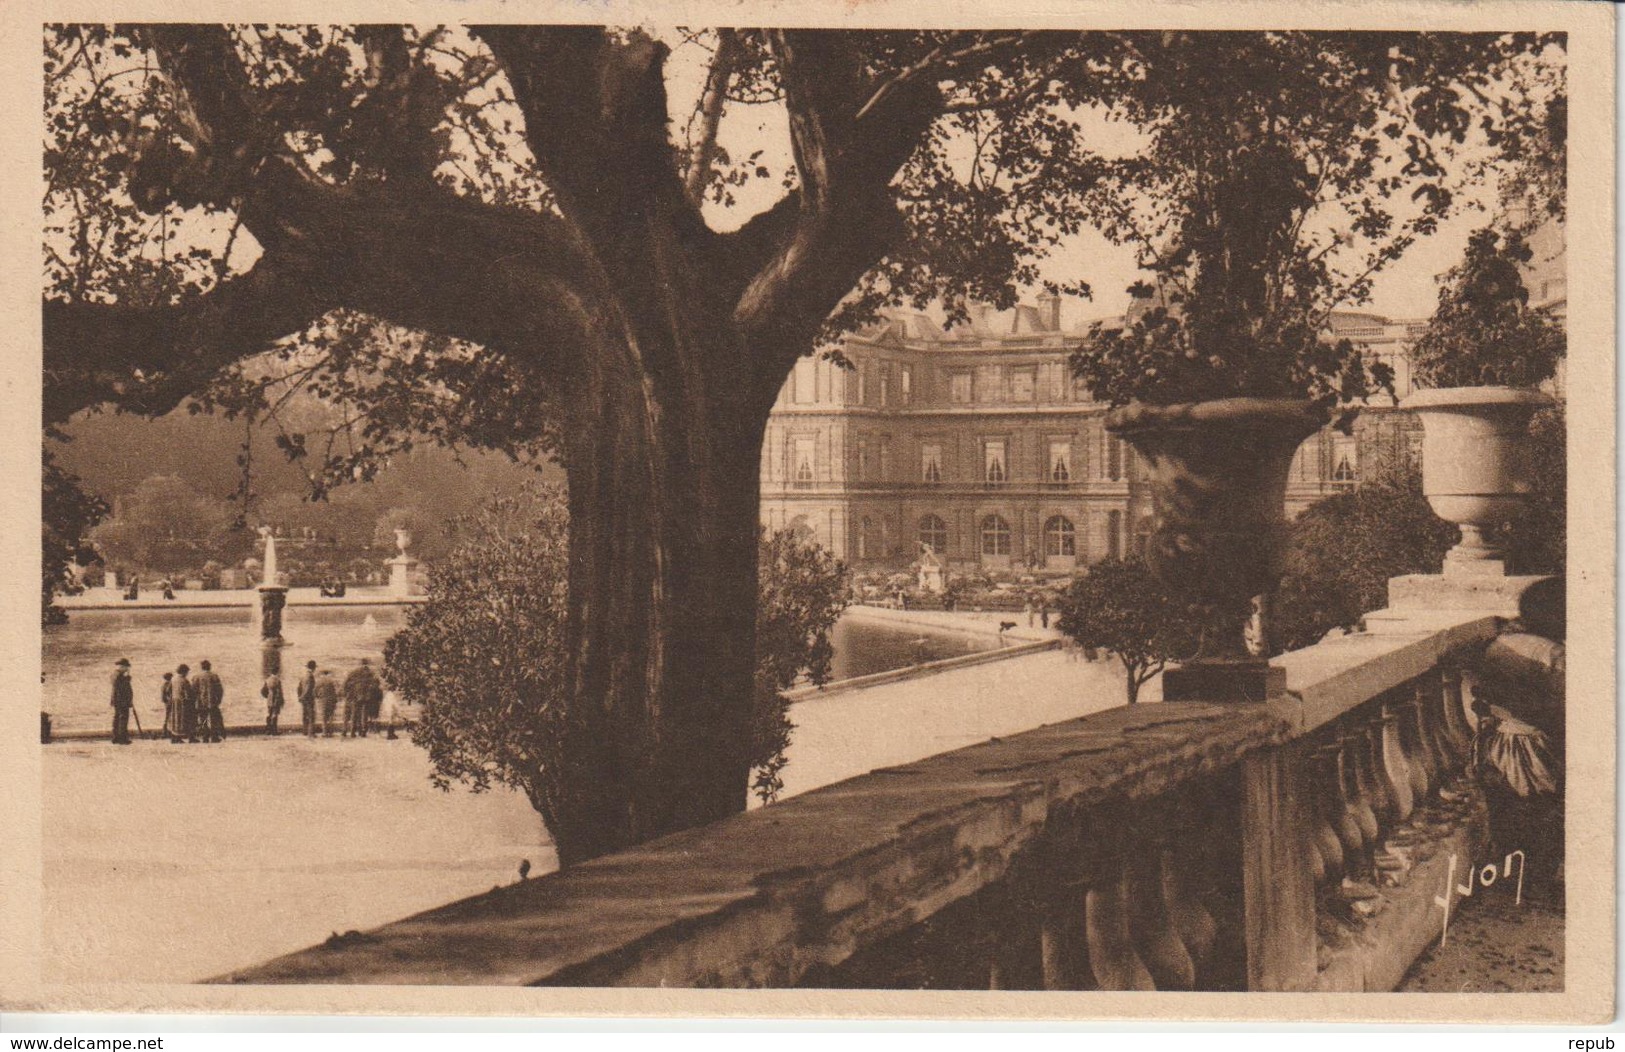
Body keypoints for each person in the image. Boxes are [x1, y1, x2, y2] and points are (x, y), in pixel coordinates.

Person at [343, 658, 382, 739]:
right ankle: (363, 731)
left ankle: (353, 732)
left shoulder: (354, 672)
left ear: (360, 664)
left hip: (355, 696)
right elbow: (376, 684)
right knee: (364, 714)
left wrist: (348, 693)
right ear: (367, 664)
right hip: (367, 697)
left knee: (354, 714)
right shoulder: (371, 673)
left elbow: (346, 684)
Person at [195, 659, 225, 743]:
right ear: (209, 667)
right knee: (213, 719)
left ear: (201, 667)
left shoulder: (197, 677)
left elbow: (194, 690)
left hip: (200, 701)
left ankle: (205, 737)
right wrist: (219, 699)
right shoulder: (214, 676)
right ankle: (214, 737)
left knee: (202, 719)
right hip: (212, 701)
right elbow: (220, 690)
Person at [110, 658, 134, 744]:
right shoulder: (119, 676)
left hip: (117, 700)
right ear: (122, 667)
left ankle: (116, 737)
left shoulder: (115, 675)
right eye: (126, 667)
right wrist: (127, 679)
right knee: (123, 719)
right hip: (122, 700)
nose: (127, 669)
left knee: (117, 718)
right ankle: (122, 739)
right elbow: (122, 688)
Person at [174, 663, 198, 743]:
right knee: (189, 719)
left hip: (175, 701)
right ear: (184, 671)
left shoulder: (174, 679)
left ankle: (176, 736)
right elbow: (187, 693)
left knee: (177, 720)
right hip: (184, 702)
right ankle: (191, 737)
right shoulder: (184, 680)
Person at [316, 668, 340, 737]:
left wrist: (318, 696)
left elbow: (315, 690)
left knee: (324, 717)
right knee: (331, 717)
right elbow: (338, 690)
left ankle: (324, 732)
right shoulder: (333, 681)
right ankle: (330, 732)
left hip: (323, 701)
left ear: (323, 674)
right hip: (332, 701)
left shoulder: (320, 681)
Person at [297, 660, 318, 738]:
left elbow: (299, 687)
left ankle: (304, 731)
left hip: (303, 699)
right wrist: (304, 696)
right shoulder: (310, 676)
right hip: (309, 698)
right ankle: (311, 733)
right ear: (313, 668)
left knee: (305, 715)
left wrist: (299, 696)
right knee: (311, 715)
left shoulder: (304, 675)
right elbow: (308, 689)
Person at [262, 670, 285, 736]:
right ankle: (274, 731)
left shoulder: (267, 680)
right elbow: (280, 692)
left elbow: (263, 691)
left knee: (269, 714)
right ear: (277, 672)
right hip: (276, 699)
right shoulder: (278, 680)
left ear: (271, 672)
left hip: (269, 699)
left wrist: (268, 696)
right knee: (275, 714)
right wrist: (282, 700)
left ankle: (268, 730)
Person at [159, 671, 175, 740]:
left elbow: (162, 696)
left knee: (166, 717)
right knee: (171, 717)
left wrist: (165, 701)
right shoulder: (171, 684)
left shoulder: (163, 685)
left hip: (166, 703)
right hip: (171, 702)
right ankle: (169, 732)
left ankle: (164, 732)